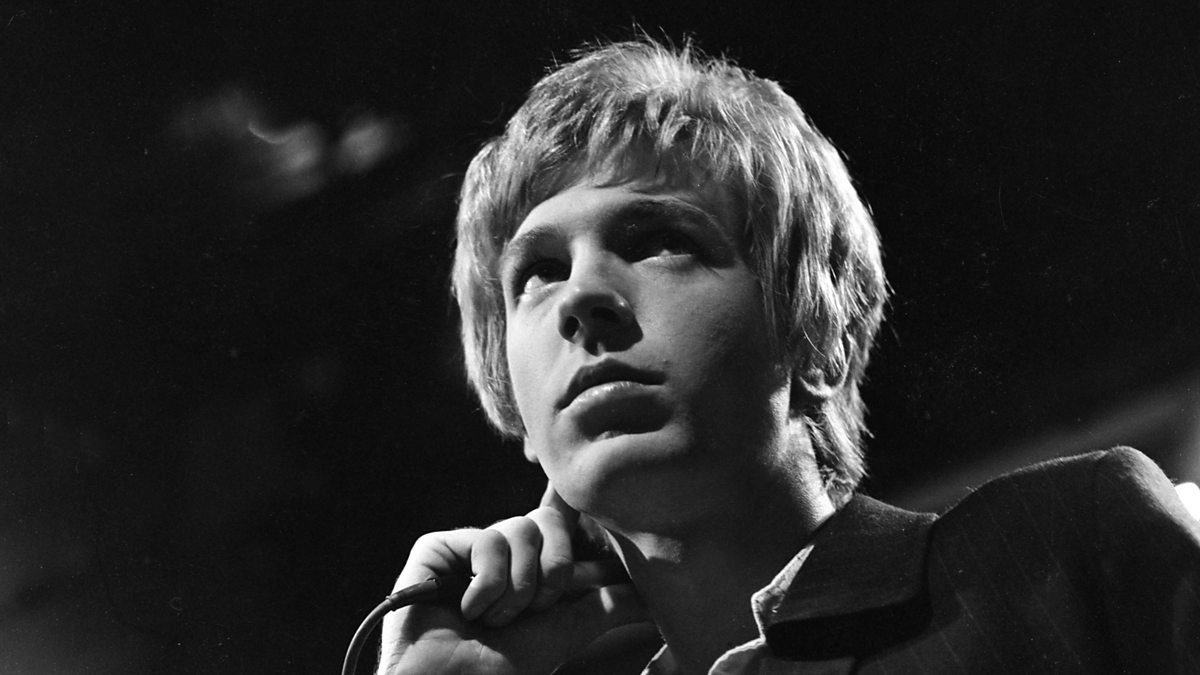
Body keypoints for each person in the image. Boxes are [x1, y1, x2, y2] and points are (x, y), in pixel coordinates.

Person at [378, 39, 1200, 674]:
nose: (581, 296)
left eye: (659, 239)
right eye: (537, 272)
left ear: (819, 334)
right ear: (517, 411)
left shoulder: (1066, 550)